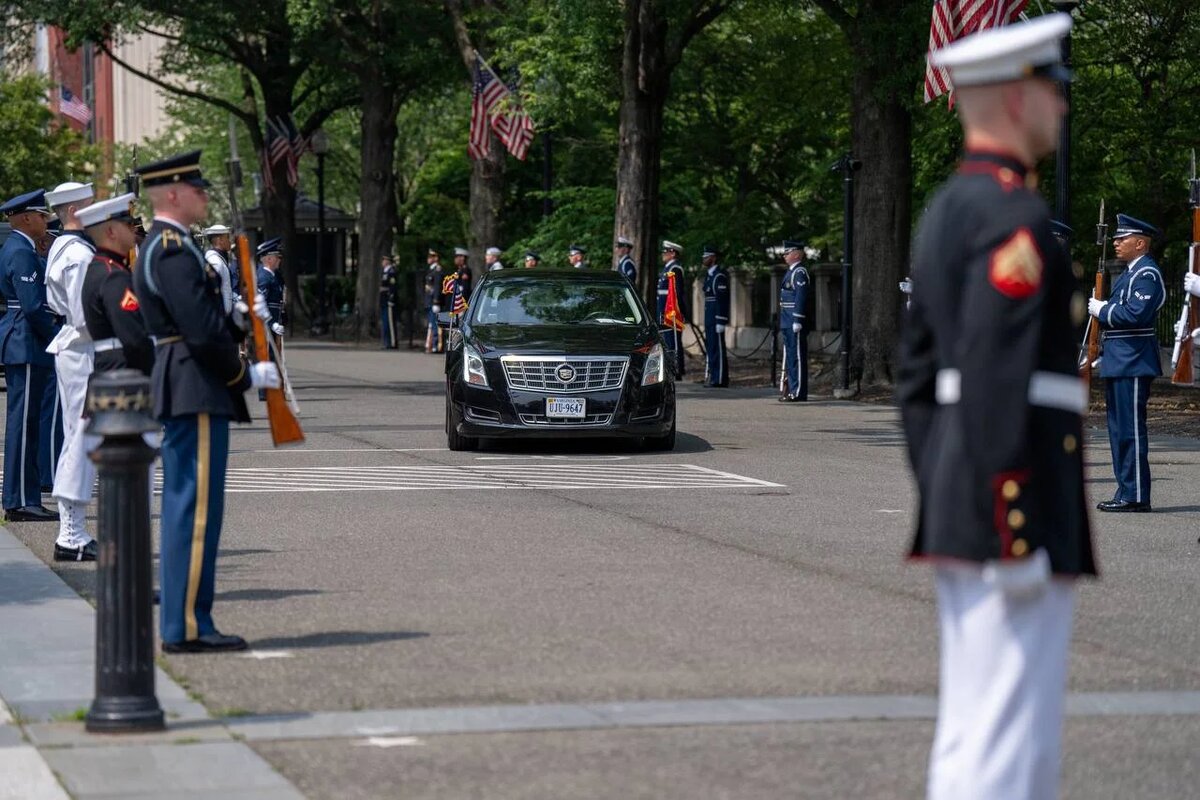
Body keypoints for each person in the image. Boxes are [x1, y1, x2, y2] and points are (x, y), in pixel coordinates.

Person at [895, 15, 1095, 800]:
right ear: (1017, 98)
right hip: (1014, 506)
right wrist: (1011, 523)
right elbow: (991, 377)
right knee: (1010, 737)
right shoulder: (1014, 219)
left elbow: (918, 383)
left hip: (968, 495)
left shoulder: (948, 210)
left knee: (976, 725)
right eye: (1053, 90)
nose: (1062, 106)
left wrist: (947, 483)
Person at [131, 150, 280, 653]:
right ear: (173, 194)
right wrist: (243, 375)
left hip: (187, 378)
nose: (204, 197)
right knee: (194, 510)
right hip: (193, 381)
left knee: (192, 507)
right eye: (197, 190)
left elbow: (200, 317)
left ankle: (188, 620)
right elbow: (195, 329)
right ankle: (188, 626)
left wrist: (238, 320)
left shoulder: (169, 246)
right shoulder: (172, 249)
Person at [1088, 213, 1164, 512]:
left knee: (1130, 431)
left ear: (1141, 243)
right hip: (1121, 360)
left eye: (1123, 239)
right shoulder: (1132, 273)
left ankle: (1135, 495)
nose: (1117, 243)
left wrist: (1103, 310)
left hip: (1133, 361)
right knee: (1118, 431)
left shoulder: (1147, 274)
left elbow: (1134, 315)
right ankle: (1126, 491)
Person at [44, 181, 98, 558]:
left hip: (78, 347)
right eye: (91, 205)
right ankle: (70, 533)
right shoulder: (78, 254)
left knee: (79, 435)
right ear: (75, 211)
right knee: (80, 436)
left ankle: (72, 531)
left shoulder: (69, 247)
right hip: (82, 348)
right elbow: (85, 316)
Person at [0, 189, 60, 522]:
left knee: (27, 423)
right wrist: (57, 338)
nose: (45, 221)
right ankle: (21, 500)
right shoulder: (21, 251)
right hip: (25, 339)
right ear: (26, 218)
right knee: (24, 424)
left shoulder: (19, 247)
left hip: (24, 339)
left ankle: (25, 497)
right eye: (41, 216)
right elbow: (33, 306)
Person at [778, 240, 809, 402]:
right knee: (790, 356)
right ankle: (792, 389)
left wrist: (798, 318)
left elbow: (800, 297)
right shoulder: (791, 272)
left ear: (796, 254)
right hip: (787, 319)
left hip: (793, 320)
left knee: (796, 357)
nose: (785, 255)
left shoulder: (799, 272)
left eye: (787, 252)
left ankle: (798, 391)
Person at [657, 241, 688, 377]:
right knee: (667, 341)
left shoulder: (675, 269)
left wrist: (678, 312)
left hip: (671, 312)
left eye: (666, 252)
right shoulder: (667, 268)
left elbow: (677, 293)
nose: (663, 254)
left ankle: (677, 369)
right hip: (664, 310)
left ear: (673, 253)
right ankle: (671, 368)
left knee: (673, 341)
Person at [701, 245, 730, 388]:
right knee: (711, 348)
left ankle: (719, 378)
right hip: (709, 317)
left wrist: (721, 320)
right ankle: (713, 376)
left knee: (717, 348)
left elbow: (721, 300)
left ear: (713, 258)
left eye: (706, 257)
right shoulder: (709, 276)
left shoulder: (719, 276)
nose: (704, 259)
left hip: (715, 317)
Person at [203, 224, 238, 315]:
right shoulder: (215, 261)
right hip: (220, 314)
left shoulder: (220, 259)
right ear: (220, 240)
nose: (230, 241)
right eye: (227, 237)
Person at [423, 248, 444, 353]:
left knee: (435, 324)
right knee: (431, 324)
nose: (428, 259)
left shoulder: (437, 270)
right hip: (429, 300)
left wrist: (436, 301)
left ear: (436, 258)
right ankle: (431, 344)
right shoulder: (431, 270)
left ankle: (437, 345)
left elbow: (437, 286)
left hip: (433, 301)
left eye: (431, 257)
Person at [379, 254, 398, 349]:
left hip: (388, 300)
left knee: (389, 322)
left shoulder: (391, 272)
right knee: (385, 322)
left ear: (388, 261)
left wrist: (391, 298)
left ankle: (392, 342)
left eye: (384, 260)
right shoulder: (385, 272)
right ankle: (386, 342)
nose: (382, 262)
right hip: (383, 300)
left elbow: (393, 287)